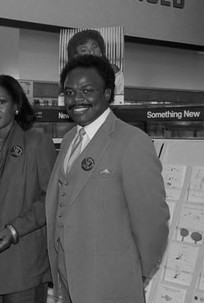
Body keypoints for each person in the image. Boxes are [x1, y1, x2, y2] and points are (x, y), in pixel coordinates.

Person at [46, 55, 170, 303]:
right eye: (69, 92)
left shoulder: (132, 141)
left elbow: (153, 222)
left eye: (88, 90)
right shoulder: (71, 138)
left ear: (107, 94)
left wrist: (131, 274)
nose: (77, 99)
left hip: (112, 283)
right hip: (68, 277)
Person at [0, 74, 56, 302]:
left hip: (22, 259)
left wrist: (14, 230)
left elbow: (52, 199)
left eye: (1, 101)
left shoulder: (37, 142)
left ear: (16, 105)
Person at [66, 29, 124, 96]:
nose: (91, 52)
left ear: (101, 51)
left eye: (94, 47)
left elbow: (119, 98)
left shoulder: (113, 71)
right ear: (76, 57)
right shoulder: (71, 75)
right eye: (84, 50)